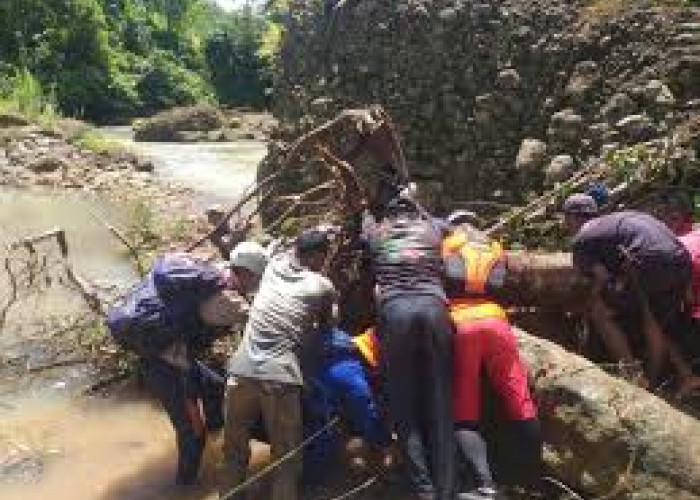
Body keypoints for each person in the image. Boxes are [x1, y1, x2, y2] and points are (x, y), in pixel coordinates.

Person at [106, 243, 267, 485]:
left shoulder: (209, 270)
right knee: (192, 433)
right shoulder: (225, 300)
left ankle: (217, 439)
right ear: (247, 274)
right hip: (168, 364)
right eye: (257, 278)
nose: (257, 284)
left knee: (214, 387)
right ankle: (185, 487)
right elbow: (256, 318)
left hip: (168, 349)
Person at [222, 228, 337, 500]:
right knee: (286, 461)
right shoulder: (321, 285)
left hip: (238, 375)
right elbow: (328, 328)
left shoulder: (272, 267)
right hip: (279, 379)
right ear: (318, 256)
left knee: (234, 454)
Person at [363, 191, 455, 500]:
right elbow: (448, 228)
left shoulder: (377, 231)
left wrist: (365, 210)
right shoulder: (432, 227)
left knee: (403, 403)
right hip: (434, 306)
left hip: (396, 309)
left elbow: (363, 224)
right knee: (440, 400)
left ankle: (422, 490)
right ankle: (446, 490)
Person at [442, 219, 541, 499]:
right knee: (520, 401)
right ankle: (532, 482)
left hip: (459, 321)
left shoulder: (448, 245)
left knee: (465, 412)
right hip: (497, 321)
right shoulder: (495, 247)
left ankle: (485, 486)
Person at [562, 195, 695, 390]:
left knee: (599, 311)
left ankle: (632, 373)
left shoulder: (583, 238)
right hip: (680, 257)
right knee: (653, 319)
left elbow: (602, 279)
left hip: (648, 261)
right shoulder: (619, 220)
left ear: (571, 218)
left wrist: (588, 304)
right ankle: (655, 380)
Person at [301, 327, 392, 485]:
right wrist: (385, 444)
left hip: (310, 391)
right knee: (321, 435)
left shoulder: (340, 348)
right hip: (323, 410)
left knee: (316, 433)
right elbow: (367, 413)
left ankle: (312, 480)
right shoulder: (350, 375)